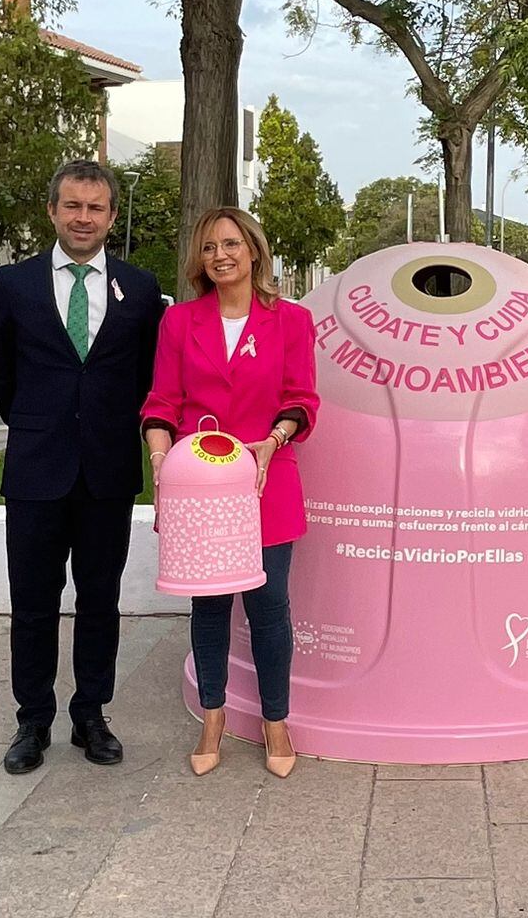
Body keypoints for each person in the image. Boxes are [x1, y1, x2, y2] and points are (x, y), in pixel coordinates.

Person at [0, 161, 163, 775]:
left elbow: (146, 377)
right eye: (72, 206)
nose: (83, 217)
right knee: (32, 602)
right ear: (53, 211)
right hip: (36, 470)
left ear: (112, 216)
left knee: (100, 600)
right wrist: (40, 422)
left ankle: (91, 714)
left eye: (96, 207)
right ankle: (32, 720)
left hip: (108, 471)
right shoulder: (14, 284)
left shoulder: (139, 289)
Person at [142, 207, 319, 778]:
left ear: (253, 251)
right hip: (200, 489)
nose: (220, 255)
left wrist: (273, 440)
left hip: (268, 480)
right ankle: (213, 717)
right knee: (210, 607)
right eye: (210, 247)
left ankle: (275, 722)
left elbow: (302, 398)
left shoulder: (291, 320)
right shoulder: (180, 322)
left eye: (231, 244)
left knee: (270, 610)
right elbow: (162, 402)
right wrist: (161, 457)